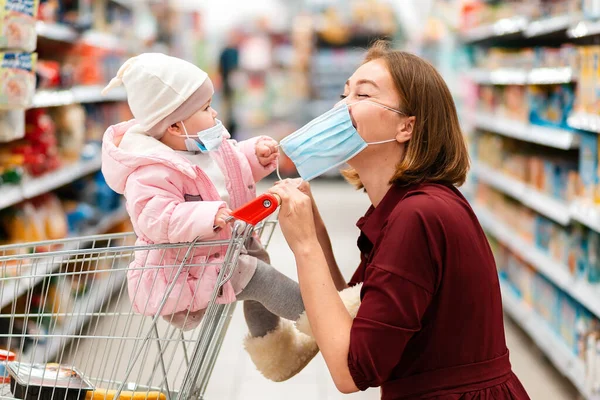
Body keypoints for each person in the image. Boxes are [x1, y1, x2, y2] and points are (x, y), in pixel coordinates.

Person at [269, 41, 530, 399]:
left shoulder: (418, 216)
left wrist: (305, 247)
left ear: (406, 127)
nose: (339, 108)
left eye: (362, 95)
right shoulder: (403, 206)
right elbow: (359, 320)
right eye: (343, 94)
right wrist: (315, 230)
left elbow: (353, 370)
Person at [100, 53, 358, 382]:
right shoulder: (150, 169)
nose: (215, 112)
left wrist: (254, 154)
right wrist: (207, 215)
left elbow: (230, 169)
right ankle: (331, 323)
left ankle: (276, 349)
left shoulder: (204, 145)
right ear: (176, 124)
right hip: (189, 265)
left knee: (257, 263)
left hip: (222, 248)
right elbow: (155, 218)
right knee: (260, 277)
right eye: (206, 107)